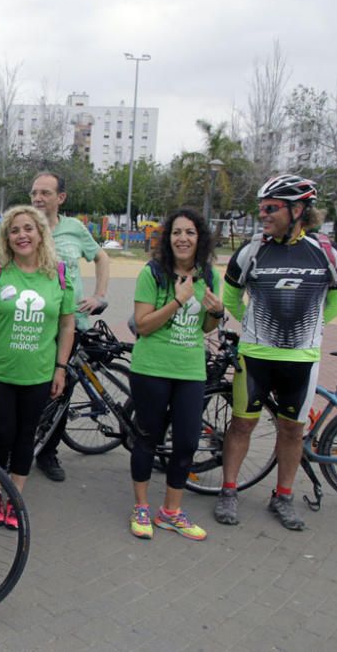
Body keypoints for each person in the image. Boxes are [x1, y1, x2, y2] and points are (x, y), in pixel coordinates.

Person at [215, 175, 337, 531]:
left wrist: (313, 326)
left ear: (298, 209)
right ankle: (229, 490)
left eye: (270, 208)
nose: (263, 215)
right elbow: (229, 298)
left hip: (301, 360)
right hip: (255, 356)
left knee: (292, 431)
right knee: (241, 424)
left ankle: (284, 496)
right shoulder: (251, 251)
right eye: (261, 208)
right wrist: (255, 323)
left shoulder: (327, 252)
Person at [0, 171, 110, 482]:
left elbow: (101, 259)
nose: (38, 197)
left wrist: (100, 295)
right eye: (34, 192)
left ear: (60, 198)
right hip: (6, 358)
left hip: (57, 340)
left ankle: (44, 457)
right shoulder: (2, 262)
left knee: (48, 410)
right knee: (5, 429)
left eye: (45, 192)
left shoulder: (73, 235)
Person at [0, 205, 75, 529]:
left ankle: (16, 495)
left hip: (39, 373)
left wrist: (60, 368)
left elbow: (67, 325)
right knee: (2, 433)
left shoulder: (58, 273)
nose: (21, 235)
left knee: (26, 435)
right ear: (6, 237)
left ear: (40, 233)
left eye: (28, 228)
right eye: (14, 230)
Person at [127, 207, 223, 541]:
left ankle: (170, 512)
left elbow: (207, 326)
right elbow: (143, 325)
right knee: (147, 437)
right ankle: (141, 507)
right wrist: (178, 301)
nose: (183, 238)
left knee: (186, 442)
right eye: (177, 232)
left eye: (190, 233)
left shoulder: (209, 275)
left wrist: (217, 313)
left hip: (190, 370)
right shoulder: (152, 273)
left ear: (201, 239)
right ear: (168, 239)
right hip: (151, 368)